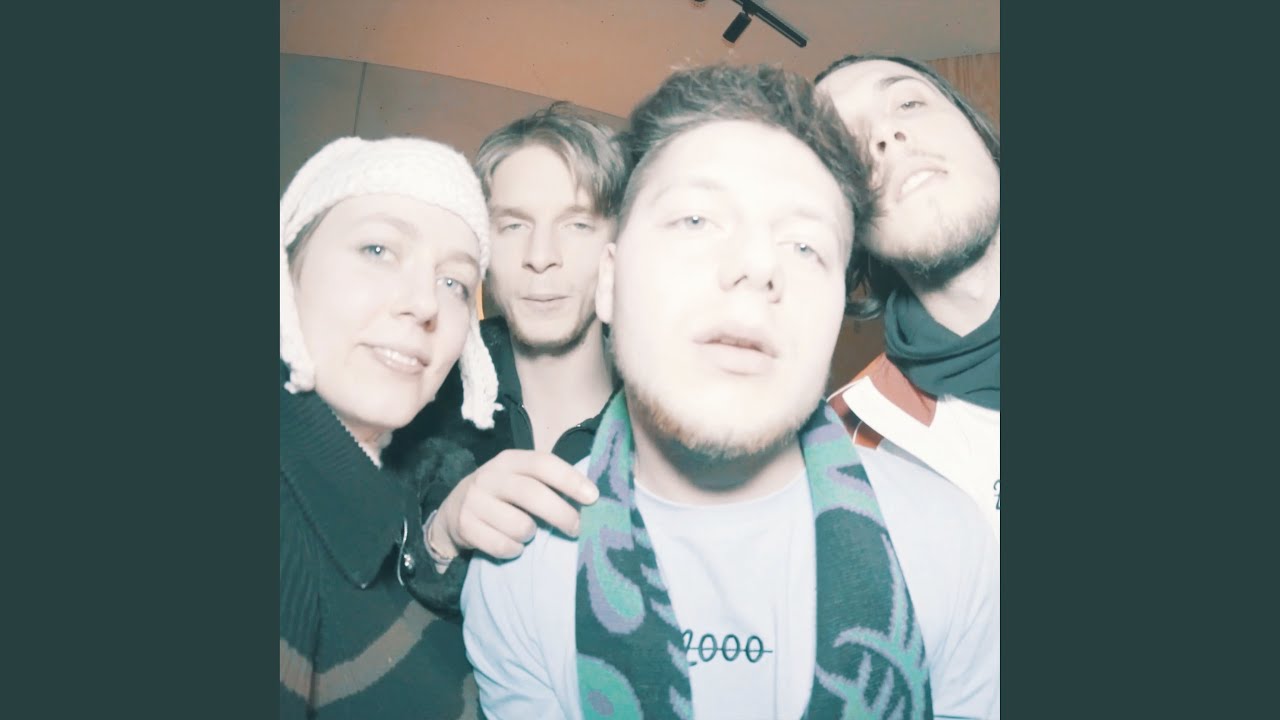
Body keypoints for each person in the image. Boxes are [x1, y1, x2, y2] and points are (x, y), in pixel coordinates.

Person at [462, 64, 999, 720]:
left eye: (804, 245)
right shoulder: (515, 571)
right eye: (695, 219)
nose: (756, 264)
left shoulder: (952, 546)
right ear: (608, 281)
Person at [278, 135, 502, 719]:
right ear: (289, 268)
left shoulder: (390, 478)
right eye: (378, 249)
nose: (424, 303)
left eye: (454, 282)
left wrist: (439, 542)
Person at [407, 102, 625, 569]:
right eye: (513, 225)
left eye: (577, 224)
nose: (541, 256)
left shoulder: (671, 427)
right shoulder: (415, 394)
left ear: (619, 248)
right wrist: (440, 539)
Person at [816, 55, 1001, 537]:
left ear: (978, 132)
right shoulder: (838, 449)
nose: (885, 134)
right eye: (843, 141)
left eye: (908, 103)